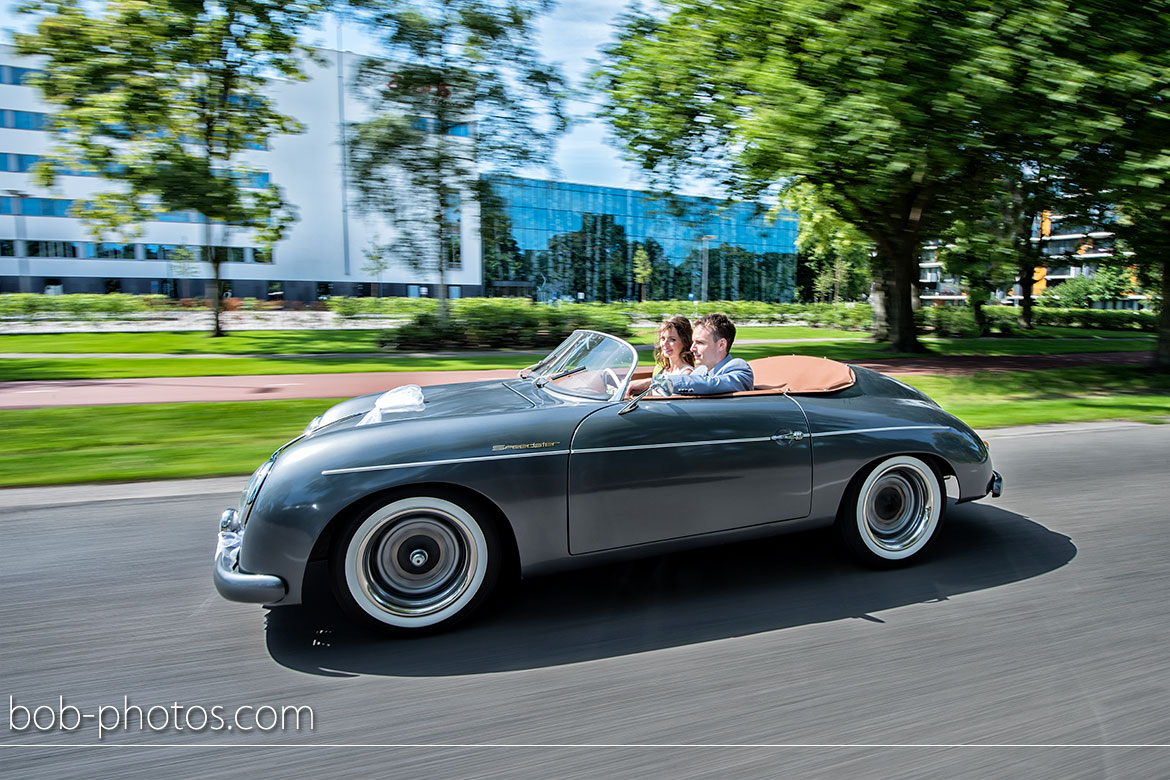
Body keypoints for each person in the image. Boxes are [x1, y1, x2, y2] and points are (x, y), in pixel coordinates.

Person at [628, 312, 753, 396]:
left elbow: (710, 385)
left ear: (721, 345)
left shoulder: (738, 368)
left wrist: (655, 382)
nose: (692, 348)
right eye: (693, 342)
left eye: (699, 343)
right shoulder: (699, 373)